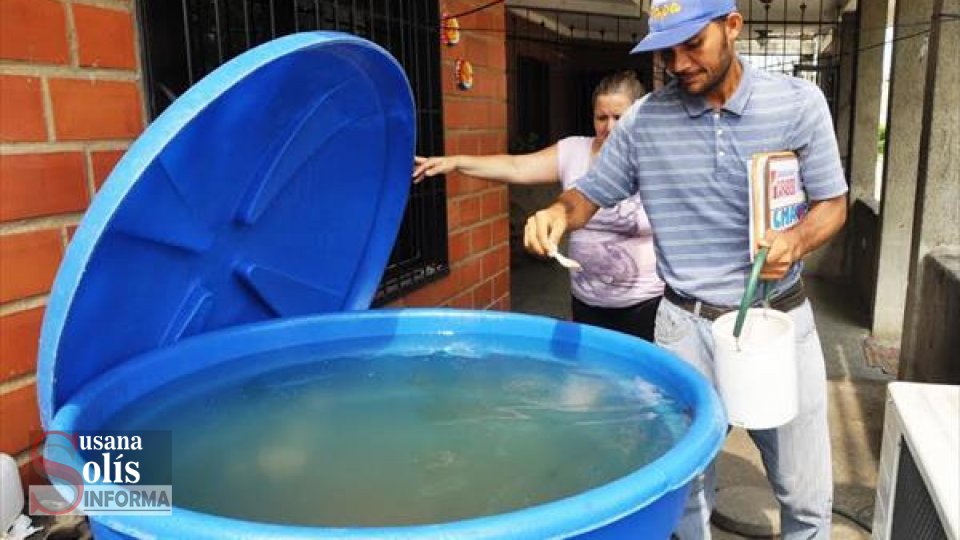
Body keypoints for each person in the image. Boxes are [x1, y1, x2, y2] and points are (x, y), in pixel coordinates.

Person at [523, 1, 848, 539]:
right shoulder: (645, 121)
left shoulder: (797, 102)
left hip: (777, 321)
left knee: (804, 489)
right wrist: (558, 212)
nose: (678, 63)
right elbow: (591, 194)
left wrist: (796, 238)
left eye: (692, 44)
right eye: (665, 51)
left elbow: (833, 204)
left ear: (733, 26)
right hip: (684, 327)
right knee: (688, 489)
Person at [413, 71, 664, 341]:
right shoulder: (573, 151)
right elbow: (516, 166)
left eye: (619, 117)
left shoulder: (656, 159)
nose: (609, 127)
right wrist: (457, 162)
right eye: (601, 117)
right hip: (587, 303)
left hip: (645, 305)